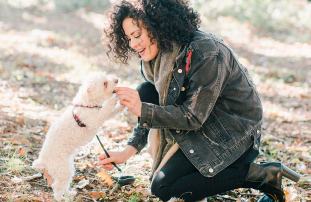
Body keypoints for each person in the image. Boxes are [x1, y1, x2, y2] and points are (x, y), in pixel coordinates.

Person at [98, 0, 300, 201]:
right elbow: (152, 100)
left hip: (232, 135)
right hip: (199, 128)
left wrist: (142, 109)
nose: (133, 44)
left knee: (165, 188)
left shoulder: (205, 51)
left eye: (137, 35)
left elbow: (192, 117)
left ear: (157, 25)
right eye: (128, 38)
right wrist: (126, 152)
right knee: (145, 89)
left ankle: (263, 176)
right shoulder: (157, 57)